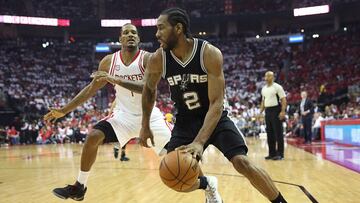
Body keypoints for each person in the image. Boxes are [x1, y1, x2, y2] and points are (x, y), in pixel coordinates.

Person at [140, 7, 287, 203]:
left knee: (242, 163)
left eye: (161, 28)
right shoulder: (158, 59)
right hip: (185, 122)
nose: (157, 34)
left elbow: (217, 103)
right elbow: (149, 90)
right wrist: (144, 126)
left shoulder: (208, 53)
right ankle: (208, 184)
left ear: (178, 28)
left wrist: (199, 142)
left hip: (214, 117)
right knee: (171, 171)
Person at [44, 23, 171, 201]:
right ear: (120, 39)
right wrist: (64, 110)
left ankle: (206, 184)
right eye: (126, 33)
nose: (130, 35)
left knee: (179, 159)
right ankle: (79, 187)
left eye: (133, 33)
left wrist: (115, 79)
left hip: (150, 118)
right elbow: (90, 89)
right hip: (123, 117)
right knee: (93, 136)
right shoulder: (109, 62)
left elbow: (147, 88)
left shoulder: (148, 59)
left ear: (139, 39)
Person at [260, 71, 287, 160]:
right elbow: (263, 101)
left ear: (273, 77)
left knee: (278, 133)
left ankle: (280, 154)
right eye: (266, 76)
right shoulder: (263, 89)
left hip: (276, 110)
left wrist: (283, 112)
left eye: (268, 76)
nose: (266, 78)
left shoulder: (277, 87)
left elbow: (283, 100)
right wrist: (260, 113)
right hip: (268, 111)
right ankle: (272, 153)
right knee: (270, 133)